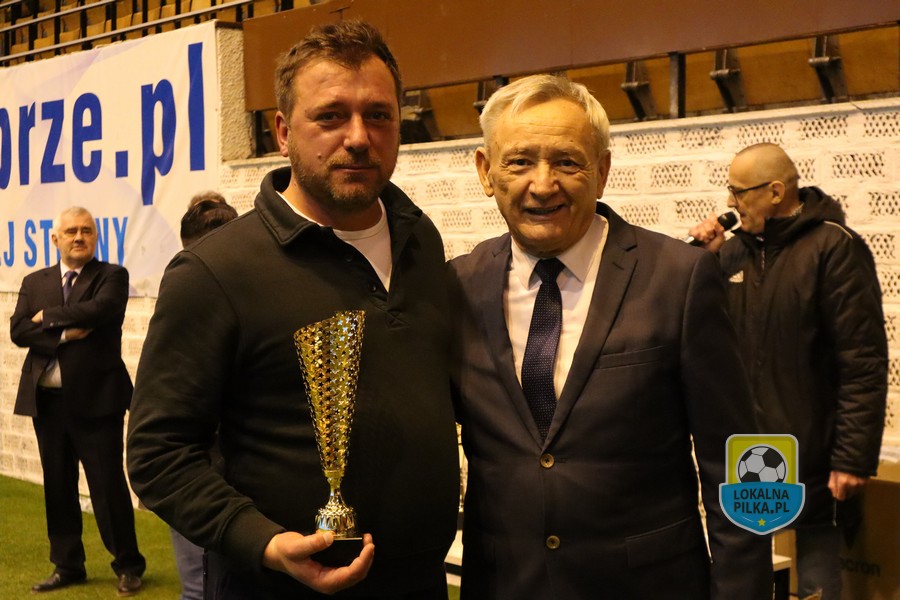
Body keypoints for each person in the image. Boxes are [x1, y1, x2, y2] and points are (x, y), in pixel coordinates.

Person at [126, 20, 459, 599]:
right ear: (282, 132)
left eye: (378, 115)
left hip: (420, 585)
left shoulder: (420, 239)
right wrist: (263, 542)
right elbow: (158, 453)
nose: (359, 137)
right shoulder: (215, 272)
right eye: (330, 116)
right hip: (278, 589)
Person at [449, 74, 772, 599]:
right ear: (486, 171)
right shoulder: (457, 286)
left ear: (601, 171)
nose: (543, 184)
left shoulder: (680, 278)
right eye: (519, 161)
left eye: (567, 162)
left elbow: (741, 453)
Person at [688, 142, 888, 600]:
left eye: (739, 192)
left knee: (814, 584)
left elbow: (862, 360)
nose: (730, 203)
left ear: (776, 192)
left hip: (814, 458)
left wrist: (852, 458)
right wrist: (705, 261)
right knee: (748, 579)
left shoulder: (834, 247)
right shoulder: (730, 254)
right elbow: (703, 341)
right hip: (746, 457)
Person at [10, 206, 145, 596]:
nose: (79, 237)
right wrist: (66, 334)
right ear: (55, 239)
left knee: (107, 486)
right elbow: (18, 331)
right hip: (47, 402)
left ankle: (128, 565)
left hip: (97, 401)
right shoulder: (34, 281)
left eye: (86, 230)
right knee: (57, 485)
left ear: (96, 237)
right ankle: (67, 565)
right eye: (71, 231)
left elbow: (99, 311)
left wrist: (46, 317)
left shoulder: (111, 276)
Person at [165, 193, 239, 600]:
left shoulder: (259, 298)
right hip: (196, 471)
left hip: (245, 473)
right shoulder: (180, 301)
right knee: (198, 587)